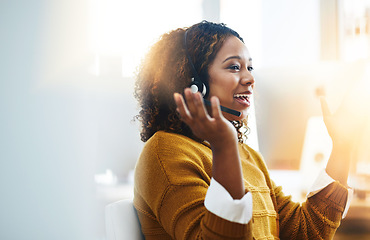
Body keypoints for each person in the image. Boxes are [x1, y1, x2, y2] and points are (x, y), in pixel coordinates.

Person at [133, 21, 357, 239]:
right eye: (234, 67)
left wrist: (342, 147)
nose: (250, 78)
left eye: (250, 67)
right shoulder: (164, 151)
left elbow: (305, 232)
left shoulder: (249, 157)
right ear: (195, 83)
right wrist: (225, 147)